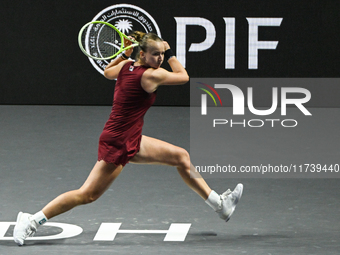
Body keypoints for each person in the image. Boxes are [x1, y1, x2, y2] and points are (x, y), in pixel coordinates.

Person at [13, 31, 243, 246]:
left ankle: (220, 206)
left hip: (129, 136)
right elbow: (184, 77)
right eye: (156, 53)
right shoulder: (152, 75)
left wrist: (124, 52)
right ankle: (31, 221)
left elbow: (107, 72)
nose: (160, 58)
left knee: (181, 157)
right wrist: (172, 53)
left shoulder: (125, 65)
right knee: (87, 195)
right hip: (119, 141)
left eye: (162, 54)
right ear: (142, 54)